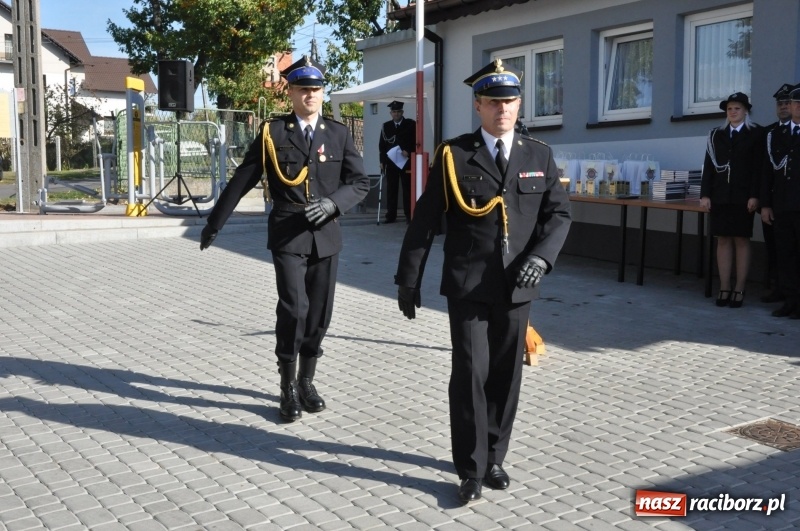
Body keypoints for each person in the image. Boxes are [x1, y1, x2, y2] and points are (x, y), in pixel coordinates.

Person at [394, 59, 571, 504]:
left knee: (506, 375)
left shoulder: (539, 155)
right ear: (478, 105)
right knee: (470, 373)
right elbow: (425, 221)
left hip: (517, 285)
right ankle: (470, 469)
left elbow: (559, 215)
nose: (503, 110)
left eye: (510, 101)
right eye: (494, 102)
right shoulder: (454, 155)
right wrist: (408, 278)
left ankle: (494, 456)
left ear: (518, 104)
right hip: (468, 283)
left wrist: (543, 260)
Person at [199, 56, 370, 421]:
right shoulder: (273, 133)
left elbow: (359, 183)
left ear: (323, 93)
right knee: (295, 308)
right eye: (303, 89)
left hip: (326, 235)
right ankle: (287, 386)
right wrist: (215, 222)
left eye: (316, 89)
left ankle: (307, 381)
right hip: (288, 233)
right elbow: (243, 178)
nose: (310, 95)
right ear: (290, 92)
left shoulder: (338, 134)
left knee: (320, 314)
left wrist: (332, 204)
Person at [700, 92, 763, 308]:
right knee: (723, 239)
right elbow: (708, 166)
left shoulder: (756, 134)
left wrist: (755, 195)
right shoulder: (716, 135)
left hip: (743, 197)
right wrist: (705, 194)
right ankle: (724, 286)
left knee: (741, 240)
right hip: (720, 196)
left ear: (746, 111)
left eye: (737, 108)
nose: (733, 112)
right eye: (729, 109)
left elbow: (758, 169)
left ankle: (739, 288)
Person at [761, 85, 800, 318]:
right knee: (785, 255)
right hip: (782, 206)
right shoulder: (775, 135)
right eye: (794, 104)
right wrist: (766, 204)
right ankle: (790, 300)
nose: (796, 107)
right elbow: (767, 172)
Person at [379, 101, 416, 223]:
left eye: (398, 111)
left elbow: (416, 141)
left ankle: (409, 215)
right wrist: (382, 161)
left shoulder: (410, 124)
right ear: (391, 113)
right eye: (394, 112)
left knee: (407, 189)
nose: (396, 114)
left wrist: (409, 151)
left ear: (402, 112)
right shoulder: (386, 126)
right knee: (391, 189)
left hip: (406, 161)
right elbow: (382, 146)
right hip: (391, 162)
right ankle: (391, 215)